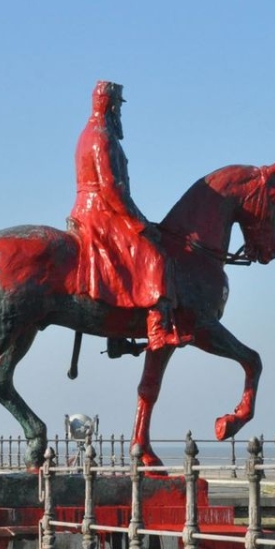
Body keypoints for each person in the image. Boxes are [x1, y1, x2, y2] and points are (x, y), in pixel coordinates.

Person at [67, 81, 187, 351]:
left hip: (95, 208)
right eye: (119, 106)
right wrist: (138, 222)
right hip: (100, 211)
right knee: (154, 256)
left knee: (126, 260)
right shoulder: (101, 136)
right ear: (109, 105)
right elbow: (112, 189)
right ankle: (157, 331)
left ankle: (117, 335)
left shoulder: (92, 133)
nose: (120, 112)